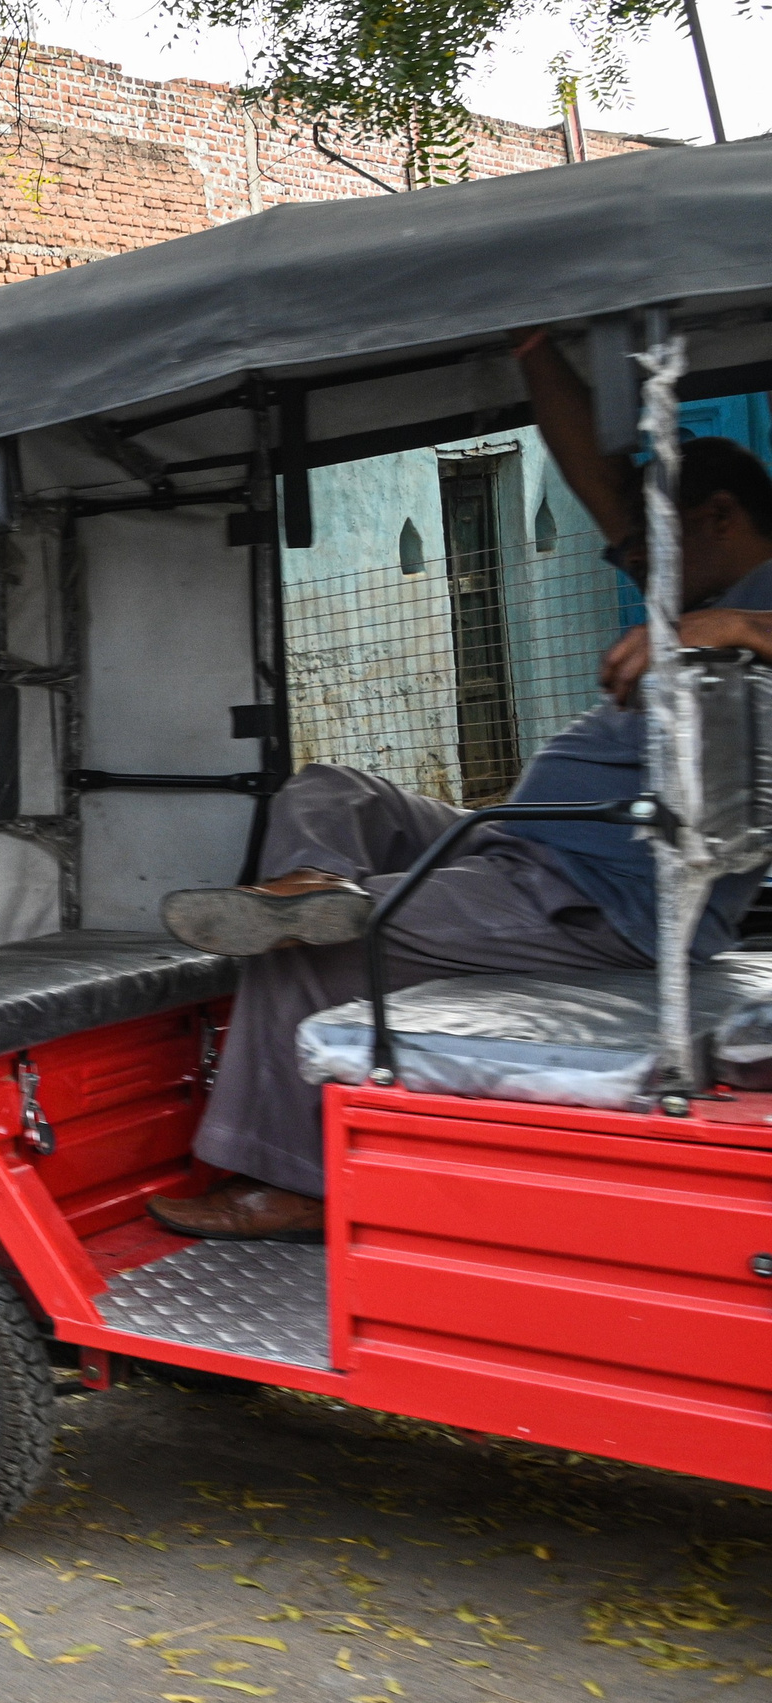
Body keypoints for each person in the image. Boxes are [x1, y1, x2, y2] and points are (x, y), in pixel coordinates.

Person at [150, 339, 772, 1243]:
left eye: (646, 545)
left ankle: (289, 1179)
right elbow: (598, 479)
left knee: (306, 957)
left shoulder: (742, 604)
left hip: (596, 895)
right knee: (328, 789)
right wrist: (531, 346)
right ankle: (312, 888)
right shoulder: (692, 583)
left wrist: (738, 625)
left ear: (719, 517)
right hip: (518, 844)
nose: (631, 562)